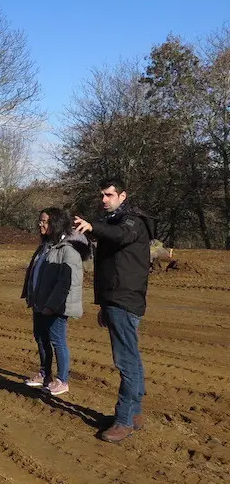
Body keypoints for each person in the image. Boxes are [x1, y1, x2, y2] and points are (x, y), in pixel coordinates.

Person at [73, 176, 153, 443]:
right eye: (102, 195)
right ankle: (135, 413)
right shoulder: (112, 222)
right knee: (131, 357)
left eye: (109, 195)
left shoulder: (133, 222)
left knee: (126, 361)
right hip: (114, 299)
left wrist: (92, 225)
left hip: (125, 300)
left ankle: (124, 420)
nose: (104, 199)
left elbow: (119, 236)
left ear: (123, 196)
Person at [21, 207, 91, 396]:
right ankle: (45, 374)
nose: (40, 224)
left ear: (55, 224)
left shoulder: (68, 250)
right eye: (40, 220)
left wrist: (53, 306)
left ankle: (62, 380)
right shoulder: (45, 246)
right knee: (41, 338)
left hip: (56, 307)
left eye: (44, 221)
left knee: (57, 340)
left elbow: (68, 282)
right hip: (40, 304)